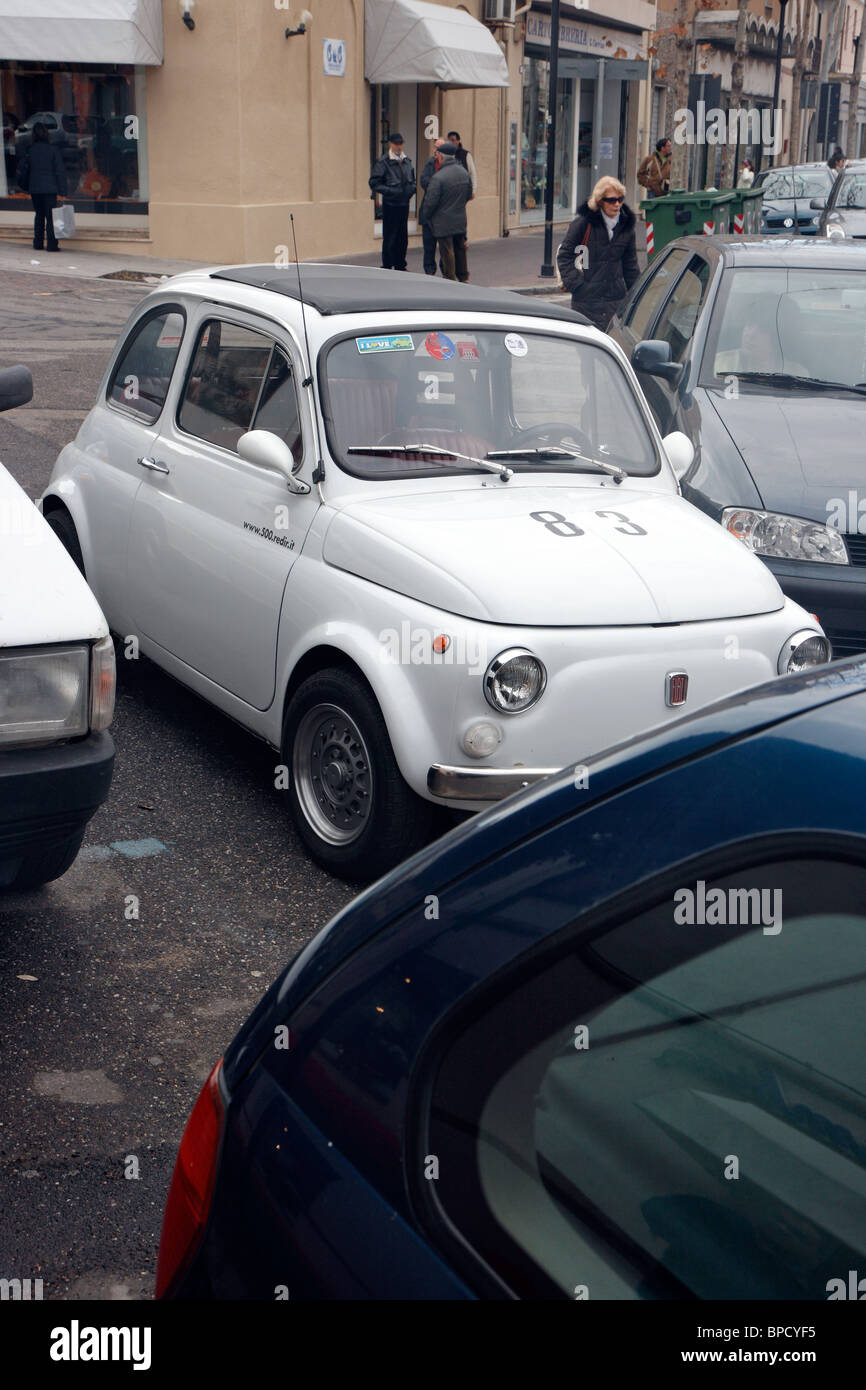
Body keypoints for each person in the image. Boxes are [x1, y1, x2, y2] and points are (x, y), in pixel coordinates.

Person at [556, 176, 639, 331]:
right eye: (611, 200)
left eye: (620, 199)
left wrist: (635, 296)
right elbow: (565, 255)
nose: (617, 204)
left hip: (615, 301)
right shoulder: (583, 224)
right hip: (586, 301)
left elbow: (631, 265)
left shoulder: (626, 226)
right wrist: (578, 285)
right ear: (600, 201)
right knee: (587, 350)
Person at [419, 141, 472, 282]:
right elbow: (469, 194)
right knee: (460, 250)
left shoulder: (439, 177)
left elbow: (430, 202)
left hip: (443, 221)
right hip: (460, 219)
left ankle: (450, 278)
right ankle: (464, 277)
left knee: (447, 251)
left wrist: (427, 216)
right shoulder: (464, 173)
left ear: (442, 157)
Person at [17, 121, 67, 252]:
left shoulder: (31, 150)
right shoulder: (53, 150)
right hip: (50, 188)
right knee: (50, 217)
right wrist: (63, 190)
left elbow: (25, 169)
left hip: (35, 188)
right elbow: (59, 171)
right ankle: (52, 244)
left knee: (39, 215)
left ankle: (38, 242)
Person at [369, 132, 416, 271]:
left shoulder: (407, 161)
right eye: (396, 143)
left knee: (403, 236)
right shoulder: (383, 162)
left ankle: (401, 263)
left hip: (404, 204)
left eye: (400, 143)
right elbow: (374, 183)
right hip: (391, 204)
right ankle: (388, 264)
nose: (399, 146)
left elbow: (412, 180)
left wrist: (410, 190)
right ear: (390, 144)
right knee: (390, 236)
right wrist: (391, 192)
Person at [419, 136, 447, 275]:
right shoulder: (430, 163)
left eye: (438, 148)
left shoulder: (451, 165)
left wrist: (435, 186)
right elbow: (423, 181)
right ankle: (429, 272)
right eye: (435, 147)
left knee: (444, 246)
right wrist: (436, 186)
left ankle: (445, 271)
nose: (435, 150)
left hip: (443, 213)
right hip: (429, 211)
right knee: (428, 247)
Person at [446, 131, 478, 200]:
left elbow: (473, 173)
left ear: (458, 141)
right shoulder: (445, 155)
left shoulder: (466, 155)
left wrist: (473, 191)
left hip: (462, 191)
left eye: (453, 140)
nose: (451, 142)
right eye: (449, 140)